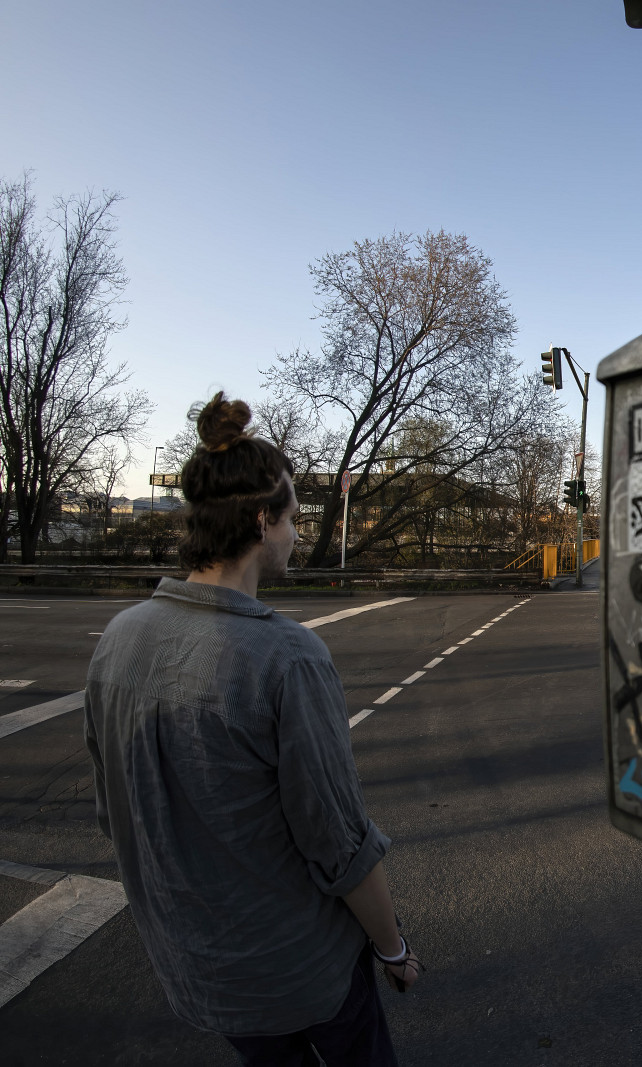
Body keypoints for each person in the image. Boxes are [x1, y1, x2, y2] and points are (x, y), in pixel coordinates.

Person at [84, 394, 421, 1066]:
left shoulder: (118, 640)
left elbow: (114, 811)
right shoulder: (286, 657)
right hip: (304, 968)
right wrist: (394, 948)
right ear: (264, 521)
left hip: (203, 971)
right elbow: (339, 842)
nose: (296, 533)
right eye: (293, 519)